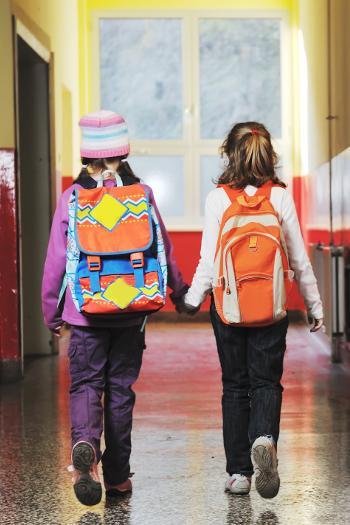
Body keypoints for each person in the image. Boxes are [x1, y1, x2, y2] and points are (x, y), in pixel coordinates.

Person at [42, 110, 188, 506]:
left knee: (86, 385)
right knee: (120, 392)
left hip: (84, 312)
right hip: (131, 310)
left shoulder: (73, 198)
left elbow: (56, 260)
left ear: (86, 155)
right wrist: (179, 291)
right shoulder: (140, 195)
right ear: (123, 152)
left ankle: (85, 449)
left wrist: (50, 312)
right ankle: (118, 478)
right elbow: (163, 250)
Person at [178, 121, 324, 499]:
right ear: (268, 155)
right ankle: (264, 437)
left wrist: (193, 299)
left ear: (229, 153)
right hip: (271, 307)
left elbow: (209, 261)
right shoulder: (279, 197)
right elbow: (298, 257)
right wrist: (314, 305)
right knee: (266, 382)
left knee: (235, 386)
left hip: (228, 307)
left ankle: (240, 474)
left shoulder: (217, 199)